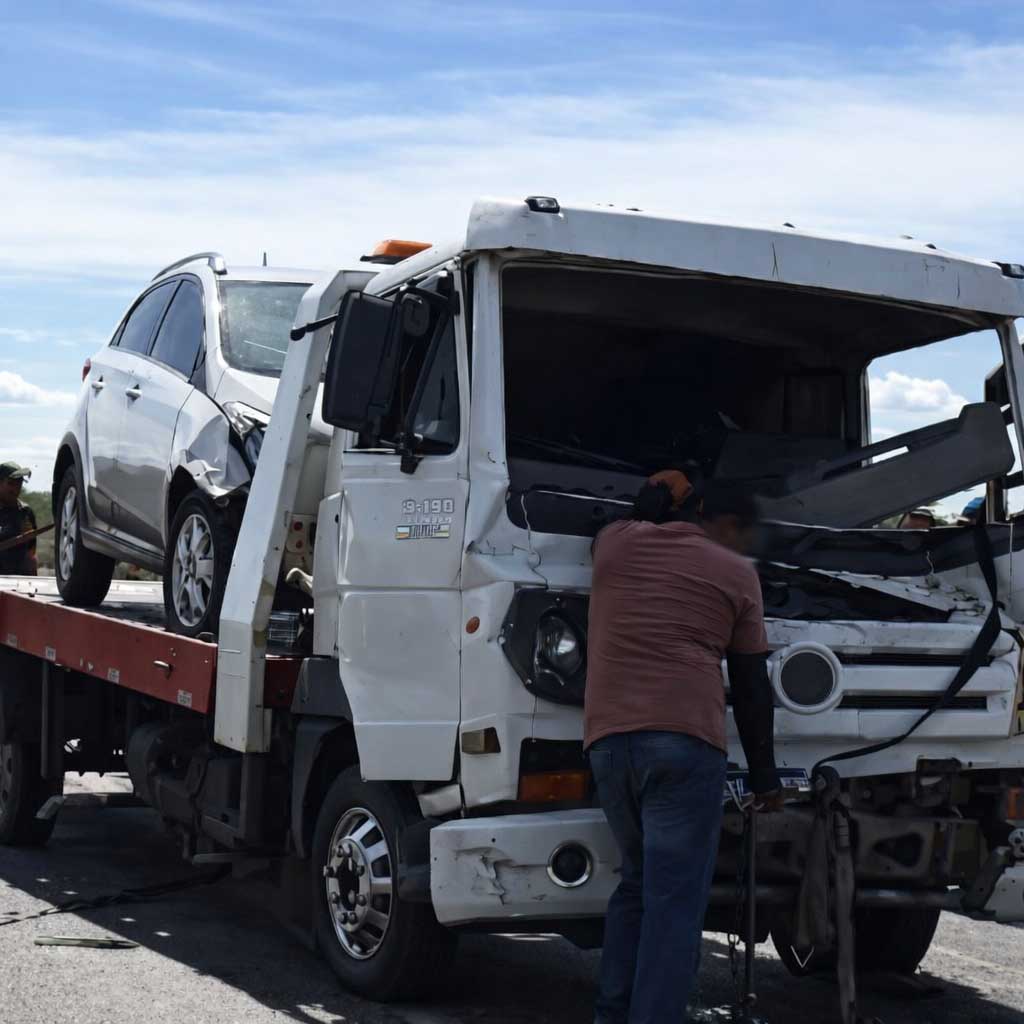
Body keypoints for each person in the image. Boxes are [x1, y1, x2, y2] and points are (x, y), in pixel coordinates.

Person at [585, 469, 781, 1024]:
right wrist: (764, 777)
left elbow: (636, 515)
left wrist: (655, 498)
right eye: (741, 529)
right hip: (683, 744)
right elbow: (749, 684)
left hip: (607, 744)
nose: (746, 542)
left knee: (636, 884)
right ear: (716, 521)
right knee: (673, 904)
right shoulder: (737, 574)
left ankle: (612, 1014)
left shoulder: (614, 545)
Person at [0, 461, 38, 577]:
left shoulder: (25, 512)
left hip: (19, 579)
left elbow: (31, 550)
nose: (15, 489)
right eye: (11, 484)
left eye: (19, 484)